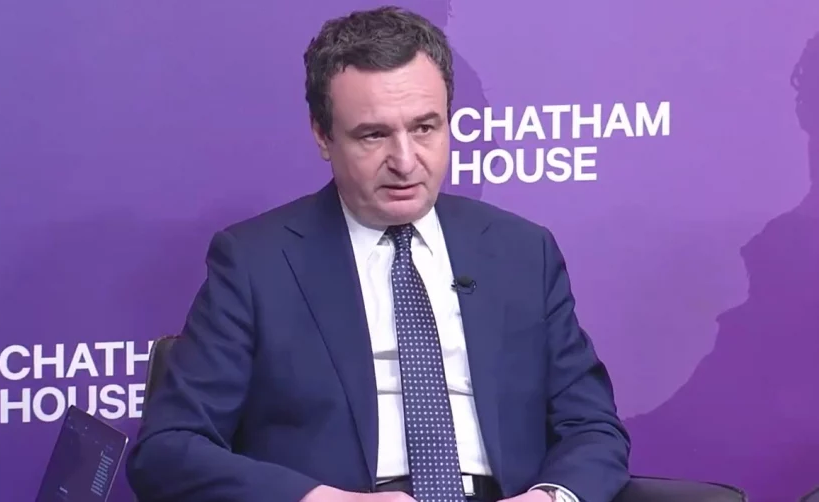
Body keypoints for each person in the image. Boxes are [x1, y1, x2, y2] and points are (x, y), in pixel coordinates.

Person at [126, 6, 630, 502]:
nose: (405, 161)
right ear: (323, 135)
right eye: (374, 135)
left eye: (425, 128)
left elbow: (592, 427)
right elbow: (168, 451)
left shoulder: (522, 252)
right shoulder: (256, 263)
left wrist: (549, 499)